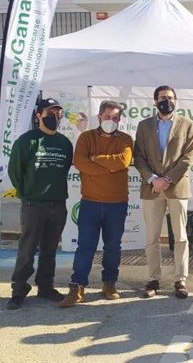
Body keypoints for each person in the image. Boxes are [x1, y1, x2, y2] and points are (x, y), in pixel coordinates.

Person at [59, 101, 133, 308]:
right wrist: (108, 169)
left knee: (112, 247)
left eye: (116, 118)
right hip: (90, 202)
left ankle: (109, 283)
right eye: (108, 117)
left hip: (117, 203)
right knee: (85, 246)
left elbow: (123, 162)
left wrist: (96, 159)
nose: (112, 121)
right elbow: (81, 163)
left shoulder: (126, 139)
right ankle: (77, 287)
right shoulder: (86, 137)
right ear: (99, 117)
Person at [6, 98, 73, 310]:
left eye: (58, 113)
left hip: (57, 204)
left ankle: (45, 286)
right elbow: (15, 172)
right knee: (27, 248)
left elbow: (64, 170)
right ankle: (18, 290)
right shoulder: (27, 141)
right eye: (50, 113)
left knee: (50, 248)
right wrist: (27, 193)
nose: (55, 116)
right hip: (33, 204)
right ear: (39, 116)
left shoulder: (64, 143)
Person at [133, 86, 193, 299]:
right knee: (152, 238)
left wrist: (167, 179)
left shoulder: (188, 125)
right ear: (154, 101)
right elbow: (138, 157)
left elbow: (188, 157)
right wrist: (153, 179)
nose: (166, 101)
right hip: (152, 188)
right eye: (162, 98)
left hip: (176, 188)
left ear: (176, 101)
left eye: (169, 98)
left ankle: (181, 279)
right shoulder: (143, 126)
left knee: (180, 237)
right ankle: (153, 279)